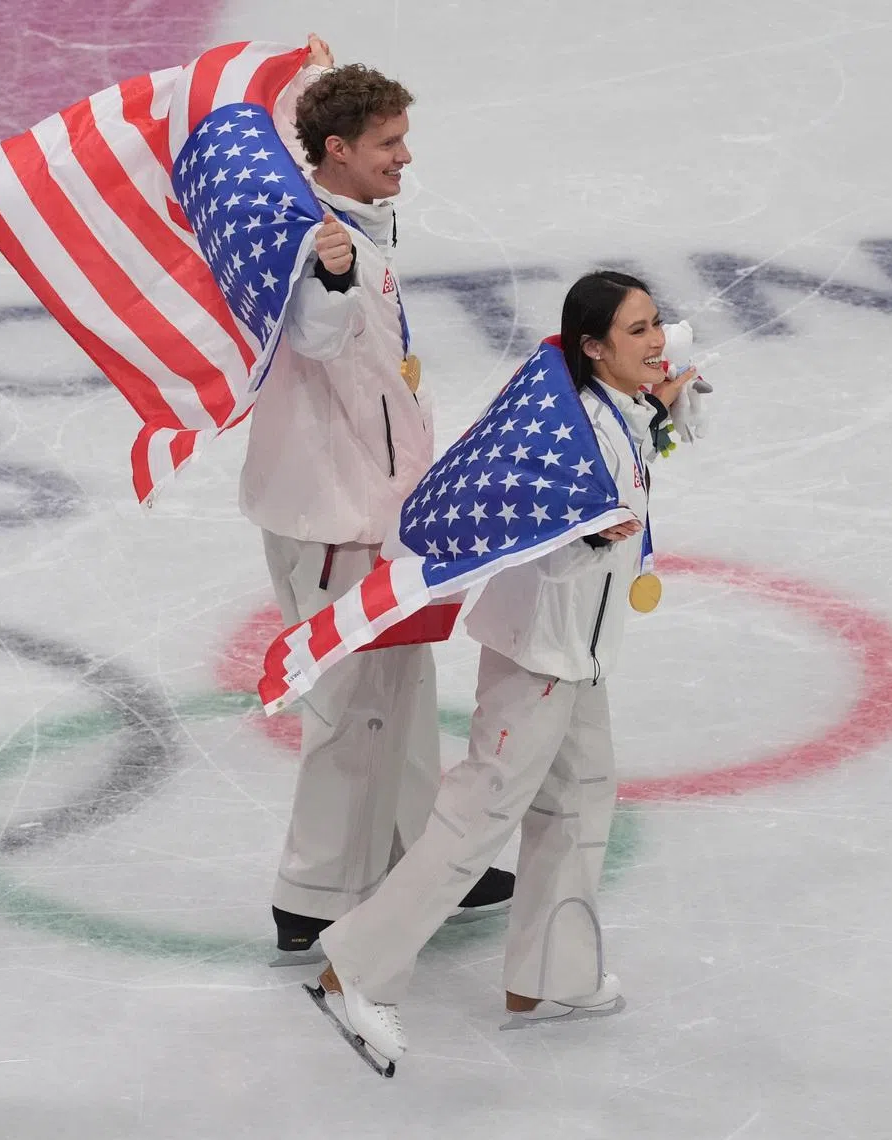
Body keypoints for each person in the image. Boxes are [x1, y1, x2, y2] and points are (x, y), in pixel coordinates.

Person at [310, 271, 697, 1071]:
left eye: (657, 323)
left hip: (578, 657)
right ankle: (354, 966)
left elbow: (635, 443)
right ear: (592, 347)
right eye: (637, 331)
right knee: (478, 817)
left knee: (583, 799)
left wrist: (662, 412)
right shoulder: (563, 443)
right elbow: (526, 516)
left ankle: (550, 978)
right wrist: (586, 534)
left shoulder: (611, 409)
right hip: (540, 658)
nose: (657, 340)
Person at [241, 35, 514, 964]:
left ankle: (424, 859)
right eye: (389, 141)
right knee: (352, 704)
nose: (405, 155)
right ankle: (310, 894)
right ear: (338, 152)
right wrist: (324, 272)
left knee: (400, 688)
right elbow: (317, 337)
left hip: (371, 501)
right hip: (332, 514)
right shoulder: (322, 243)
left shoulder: (348, 218)